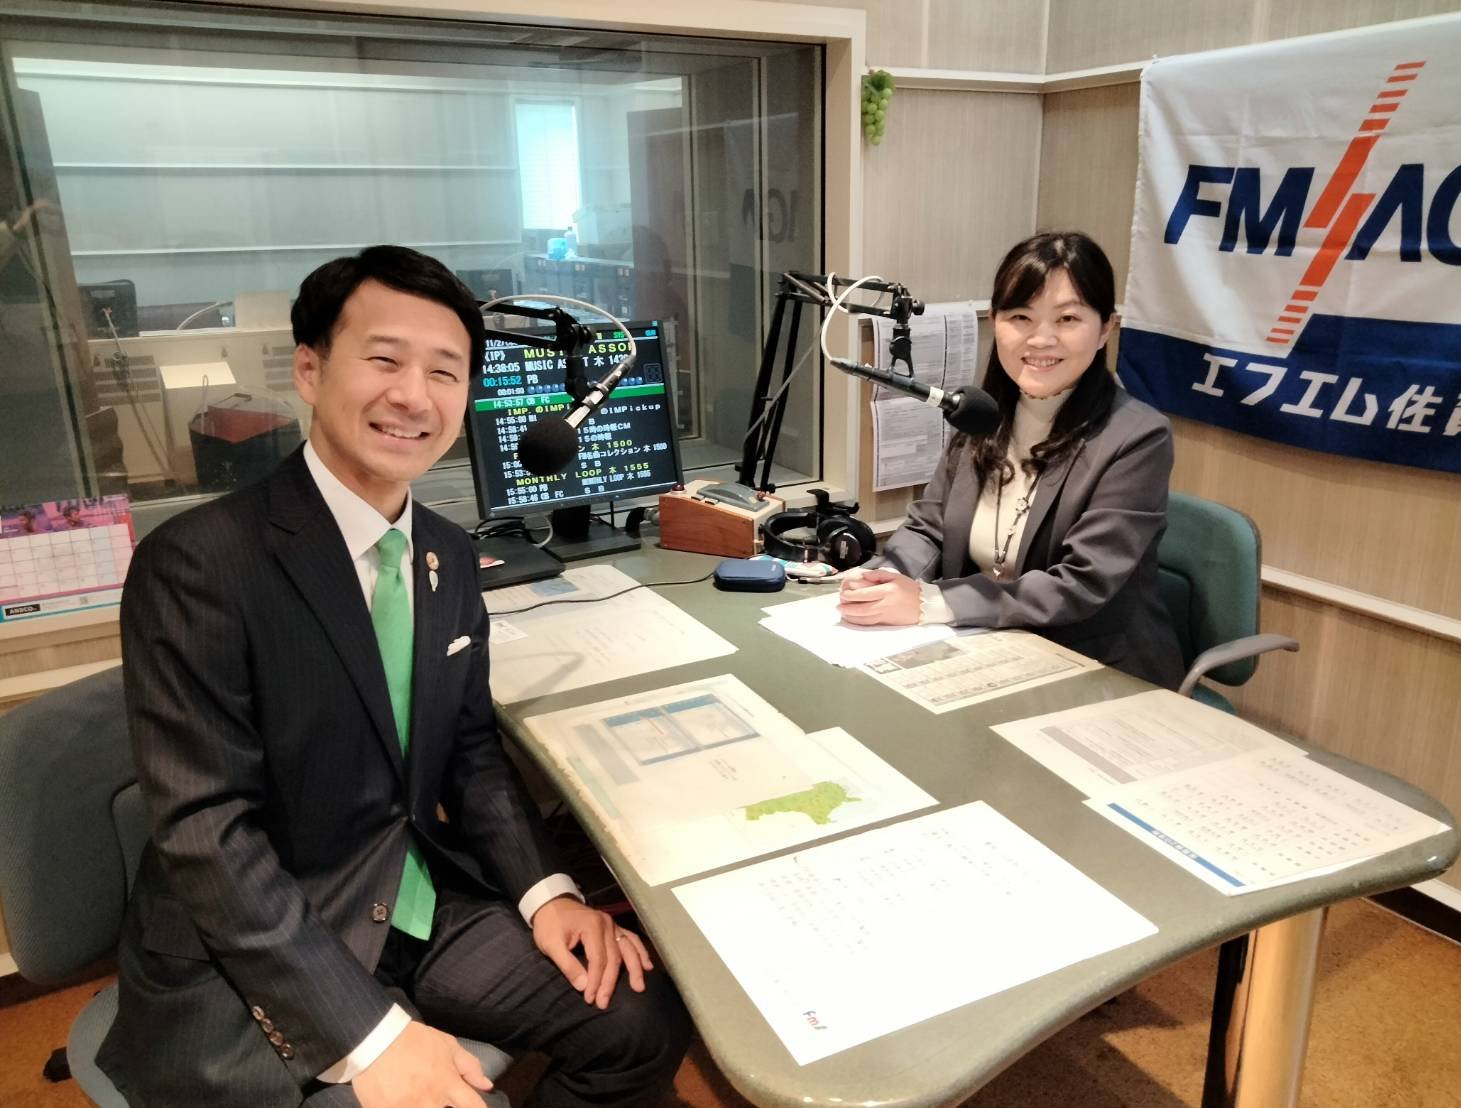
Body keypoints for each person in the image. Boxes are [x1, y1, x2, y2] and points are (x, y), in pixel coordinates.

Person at [97, 245, 691, 1107]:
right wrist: (368, 1034)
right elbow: (206, 832)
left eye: (443, 371)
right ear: (309, 370)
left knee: (638, 1017)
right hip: (260, 934)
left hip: (409, 896)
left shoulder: (446, 554)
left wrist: (547, 892)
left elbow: (472, 752)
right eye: (383, 360)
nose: (414, 396)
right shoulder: (200, 564)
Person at [837, 231, 1185, 689]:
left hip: (1096, 667)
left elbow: (1080, 584)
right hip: (988, 650)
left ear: (1105, 329)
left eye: (1067, 319)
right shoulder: (982, 414)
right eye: (1021, 316)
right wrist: (886, 578)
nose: (1040, 339)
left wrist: (929, 602)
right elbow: (928, 527)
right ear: (996, 321)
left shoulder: (1137, 437)